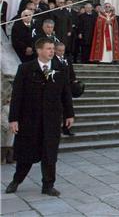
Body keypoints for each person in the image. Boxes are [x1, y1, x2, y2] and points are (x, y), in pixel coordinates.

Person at [5, 38, 75, 197]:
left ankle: (48, 185)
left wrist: (69, 114)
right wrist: (13, 119)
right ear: (39, 50)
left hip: (51, 119)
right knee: (26, 153)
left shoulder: (60, 69)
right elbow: (17, 96)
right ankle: (16, 180)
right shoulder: (25, 69)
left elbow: (66, 94)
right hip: (29, 119)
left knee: (50, 154)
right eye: (49, 48)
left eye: (53, 48)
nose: (52, 51)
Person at [54, 42, 77, 136]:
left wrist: (74, 80)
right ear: (55, 50)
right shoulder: (52, 60)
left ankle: (66, 128)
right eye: (59, 50)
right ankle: (57, 128)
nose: (61, 52)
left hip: (66, 87)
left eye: (63, 50)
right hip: (57, 88)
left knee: (67, 107)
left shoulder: (67, 59)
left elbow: (71, 71)